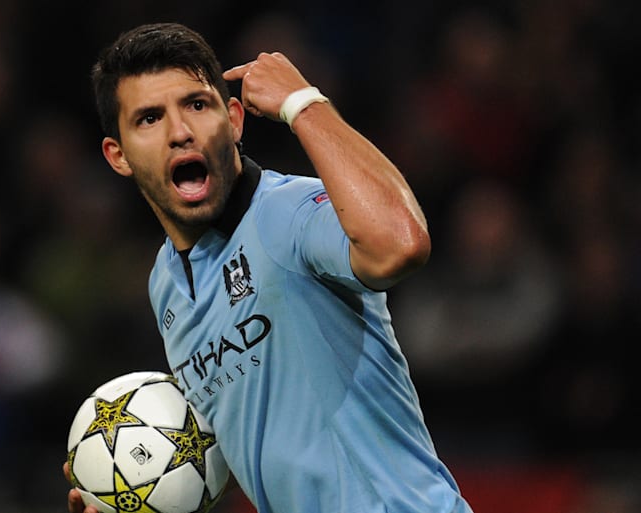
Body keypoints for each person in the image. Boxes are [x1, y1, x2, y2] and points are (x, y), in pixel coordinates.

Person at [64, 22, 474, 513]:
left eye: (197, 104)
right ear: (119, 155)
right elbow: (257, 449)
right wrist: (128, 494)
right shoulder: (165, 284)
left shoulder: (287, 213)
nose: (180, 132)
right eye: (149, 119)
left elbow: (401, 246)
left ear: (234, 120)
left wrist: (304, 103)